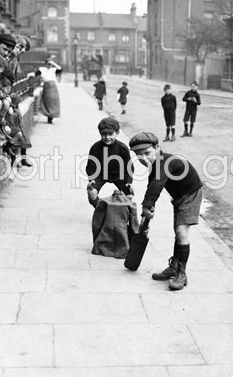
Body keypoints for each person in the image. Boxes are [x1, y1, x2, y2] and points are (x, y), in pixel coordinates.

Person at [129, 132, 204, 290]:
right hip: (178, 197)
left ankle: (181, 274)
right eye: (139, 156)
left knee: (181, 232)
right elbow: (152, 185)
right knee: (177, 232)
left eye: (147, 153)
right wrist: (149, 207)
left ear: (157, 148)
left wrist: (146, 206)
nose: (145, 158)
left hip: (190, 195)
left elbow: (157, 185)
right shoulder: (155, 164)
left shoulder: (164, 162)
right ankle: (174, 267)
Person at [85, 117, 134, 207]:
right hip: (100, 174)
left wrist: (128, 182)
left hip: (118, 175)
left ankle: (121, 213)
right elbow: (91, 167)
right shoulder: (95, 148)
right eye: (104, 134)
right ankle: (100, 210)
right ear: (100, 133)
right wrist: (92, 179)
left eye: (110, 134)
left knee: (129, 195)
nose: (107, 137)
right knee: (91, 192)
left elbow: (129, 167)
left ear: (117, 133)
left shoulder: (122, 148)